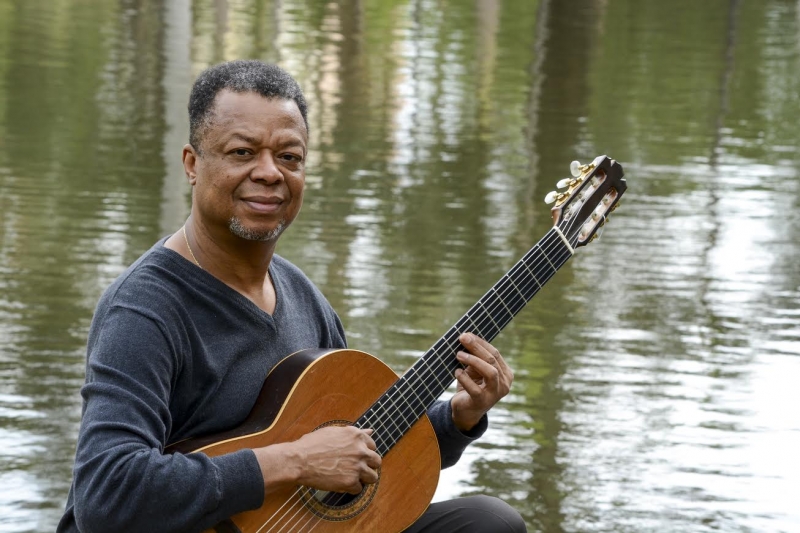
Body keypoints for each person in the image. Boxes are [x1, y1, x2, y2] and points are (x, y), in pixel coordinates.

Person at [58, 60, 526, 533]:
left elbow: (360, 453)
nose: (269, 173)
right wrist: (294, 462)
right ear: (193, 164)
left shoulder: (303, 298)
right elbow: (106, 494)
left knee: (488, 522)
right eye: (242, 152)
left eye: (290, 157)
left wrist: (459, 418)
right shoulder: (143, 309)